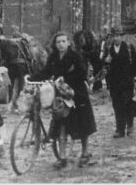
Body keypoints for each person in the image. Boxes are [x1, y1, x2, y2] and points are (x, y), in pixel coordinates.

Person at [31, 32, 96, 168]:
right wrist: (31, 78)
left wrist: (67, 77)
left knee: (82, 124)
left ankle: (85, 153)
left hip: (77, 94)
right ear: (55, 44)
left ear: (68, 43)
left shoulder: (75, 56)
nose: (61, 44)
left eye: (63, 41)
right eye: (58, 42)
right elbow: (46, 71)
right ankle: (62, 157)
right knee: (61, 123)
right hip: (61, 94)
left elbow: (82, 73)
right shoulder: (53, 57)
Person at [103, 25, 136, 138]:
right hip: (114, 83)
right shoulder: (108, 49)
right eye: (114, 36)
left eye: (118, 36)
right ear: (111, 37)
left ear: (121, 36)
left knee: (128, 104)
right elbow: (103, 66)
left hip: (127, 82)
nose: (116, 38)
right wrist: (105, 60)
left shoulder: (129, 48)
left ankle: (130, 127)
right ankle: (120, 129)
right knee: (117, 106)